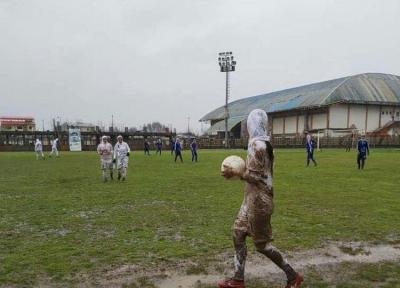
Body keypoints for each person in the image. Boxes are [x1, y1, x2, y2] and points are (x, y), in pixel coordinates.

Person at [218, 109, 303, 288]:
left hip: (260, 202)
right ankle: (238, 280)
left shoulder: (258, 145)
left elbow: (257, 178)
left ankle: (293, 276)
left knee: (261, 245)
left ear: (252, 125)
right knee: (237, 232)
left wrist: (237, 172)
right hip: (251, 198)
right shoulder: (261, 143)